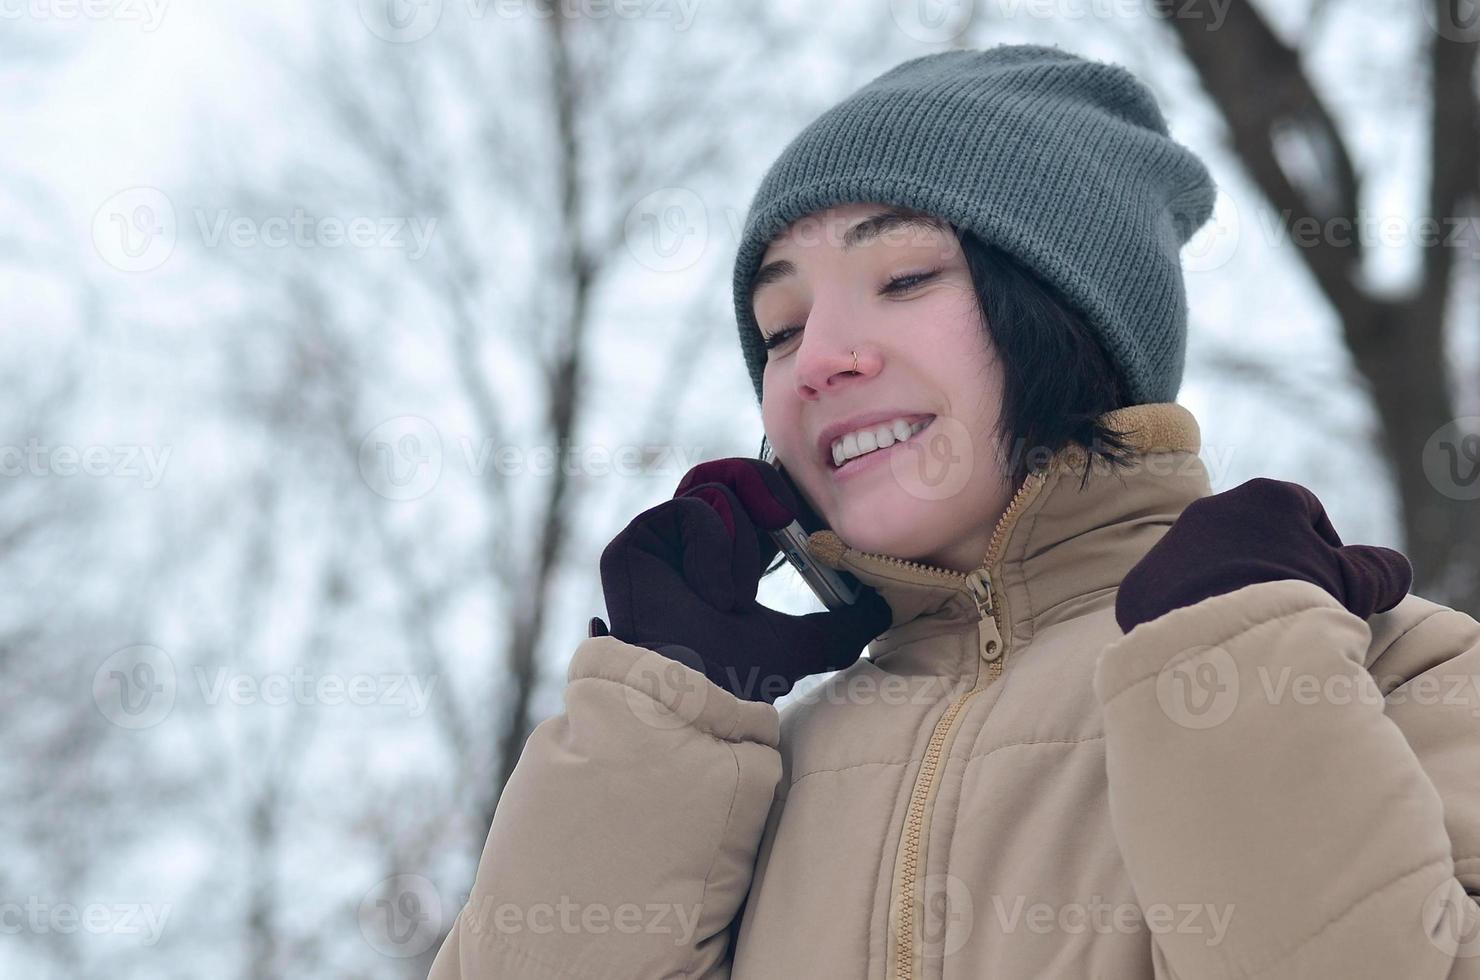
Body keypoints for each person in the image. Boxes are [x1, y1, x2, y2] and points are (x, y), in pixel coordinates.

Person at [429, 45, 1480, 979]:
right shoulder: (751, 782)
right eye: (780, 326)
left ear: (1075, 314)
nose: (819, 359)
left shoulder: (1384, 671)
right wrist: (657, 732)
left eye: (904, 275)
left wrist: (1237, 666)